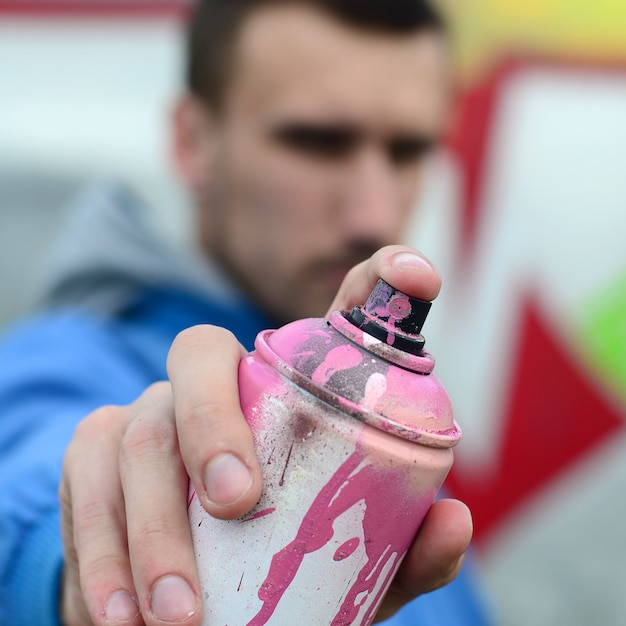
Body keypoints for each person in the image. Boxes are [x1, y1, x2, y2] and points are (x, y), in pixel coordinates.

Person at [0, 1, 491, 624]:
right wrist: (84, 574)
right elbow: (37, 485)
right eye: (318, 142)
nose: (374, 211)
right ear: (193, 141)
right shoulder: (62, 358)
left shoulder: (395, 435)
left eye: (407, 151)